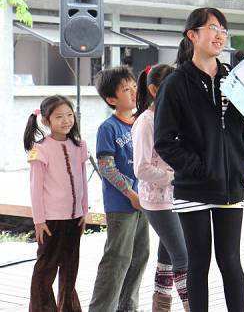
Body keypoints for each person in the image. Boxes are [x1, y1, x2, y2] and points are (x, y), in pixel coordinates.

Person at [154, 7, 244, 312]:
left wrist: (240, 163)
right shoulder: (175, 83)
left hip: (230, 186)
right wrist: (199, 169)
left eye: (223, 30)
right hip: (194, 189)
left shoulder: (235, 80)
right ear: (192, 35)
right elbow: (164, 140)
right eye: (213, 28)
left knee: (231, 261)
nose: (219, 35)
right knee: (198, 263)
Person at [89, 66, 150, 312]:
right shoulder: (108, 128)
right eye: (126, 89)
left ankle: (128, 308)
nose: (134, 92)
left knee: (140, 256)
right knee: (117, 259)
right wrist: (130, 193)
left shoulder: (141, 121)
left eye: (134, 86)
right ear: (111, 99)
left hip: (144, 202)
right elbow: (106, 167)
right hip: (121, 205)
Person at [132, 64, 189, 312]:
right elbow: (141, 168)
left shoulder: (173, 118)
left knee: (167, 257)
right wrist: (173, 177)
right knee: (183, 257)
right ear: (154, 90)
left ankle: (160, 307)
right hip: (157, 201)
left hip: (174, 197)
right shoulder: (145, 122)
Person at [24, 95, 88, 312]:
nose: (66, 120)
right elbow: (35, 188)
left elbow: (83, 181)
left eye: (69, 115)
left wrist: (84, 211)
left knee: (70, 269)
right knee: (45, 270)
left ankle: (68, 307)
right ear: (46, 121)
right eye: (59, 116)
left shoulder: (79, 145)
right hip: (51, 220)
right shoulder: (40, 149)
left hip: (75, 218)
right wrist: (39, 221)